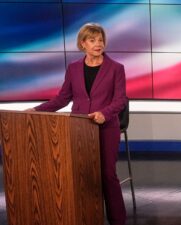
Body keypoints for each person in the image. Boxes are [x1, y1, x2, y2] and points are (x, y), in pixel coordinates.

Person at [27, 23, 127, 225]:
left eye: (100, 40)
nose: (98, 44)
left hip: (106, 127)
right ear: (83, 44)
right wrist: (36, 110)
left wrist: (104, 114)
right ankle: (85, 216)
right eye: (92, 40)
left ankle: (118, 220)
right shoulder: (73, 69)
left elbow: (120, 101)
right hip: (78, 128)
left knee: (107, 174)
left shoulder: (116, 68)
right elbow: (62, 99)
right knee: (81, 175)